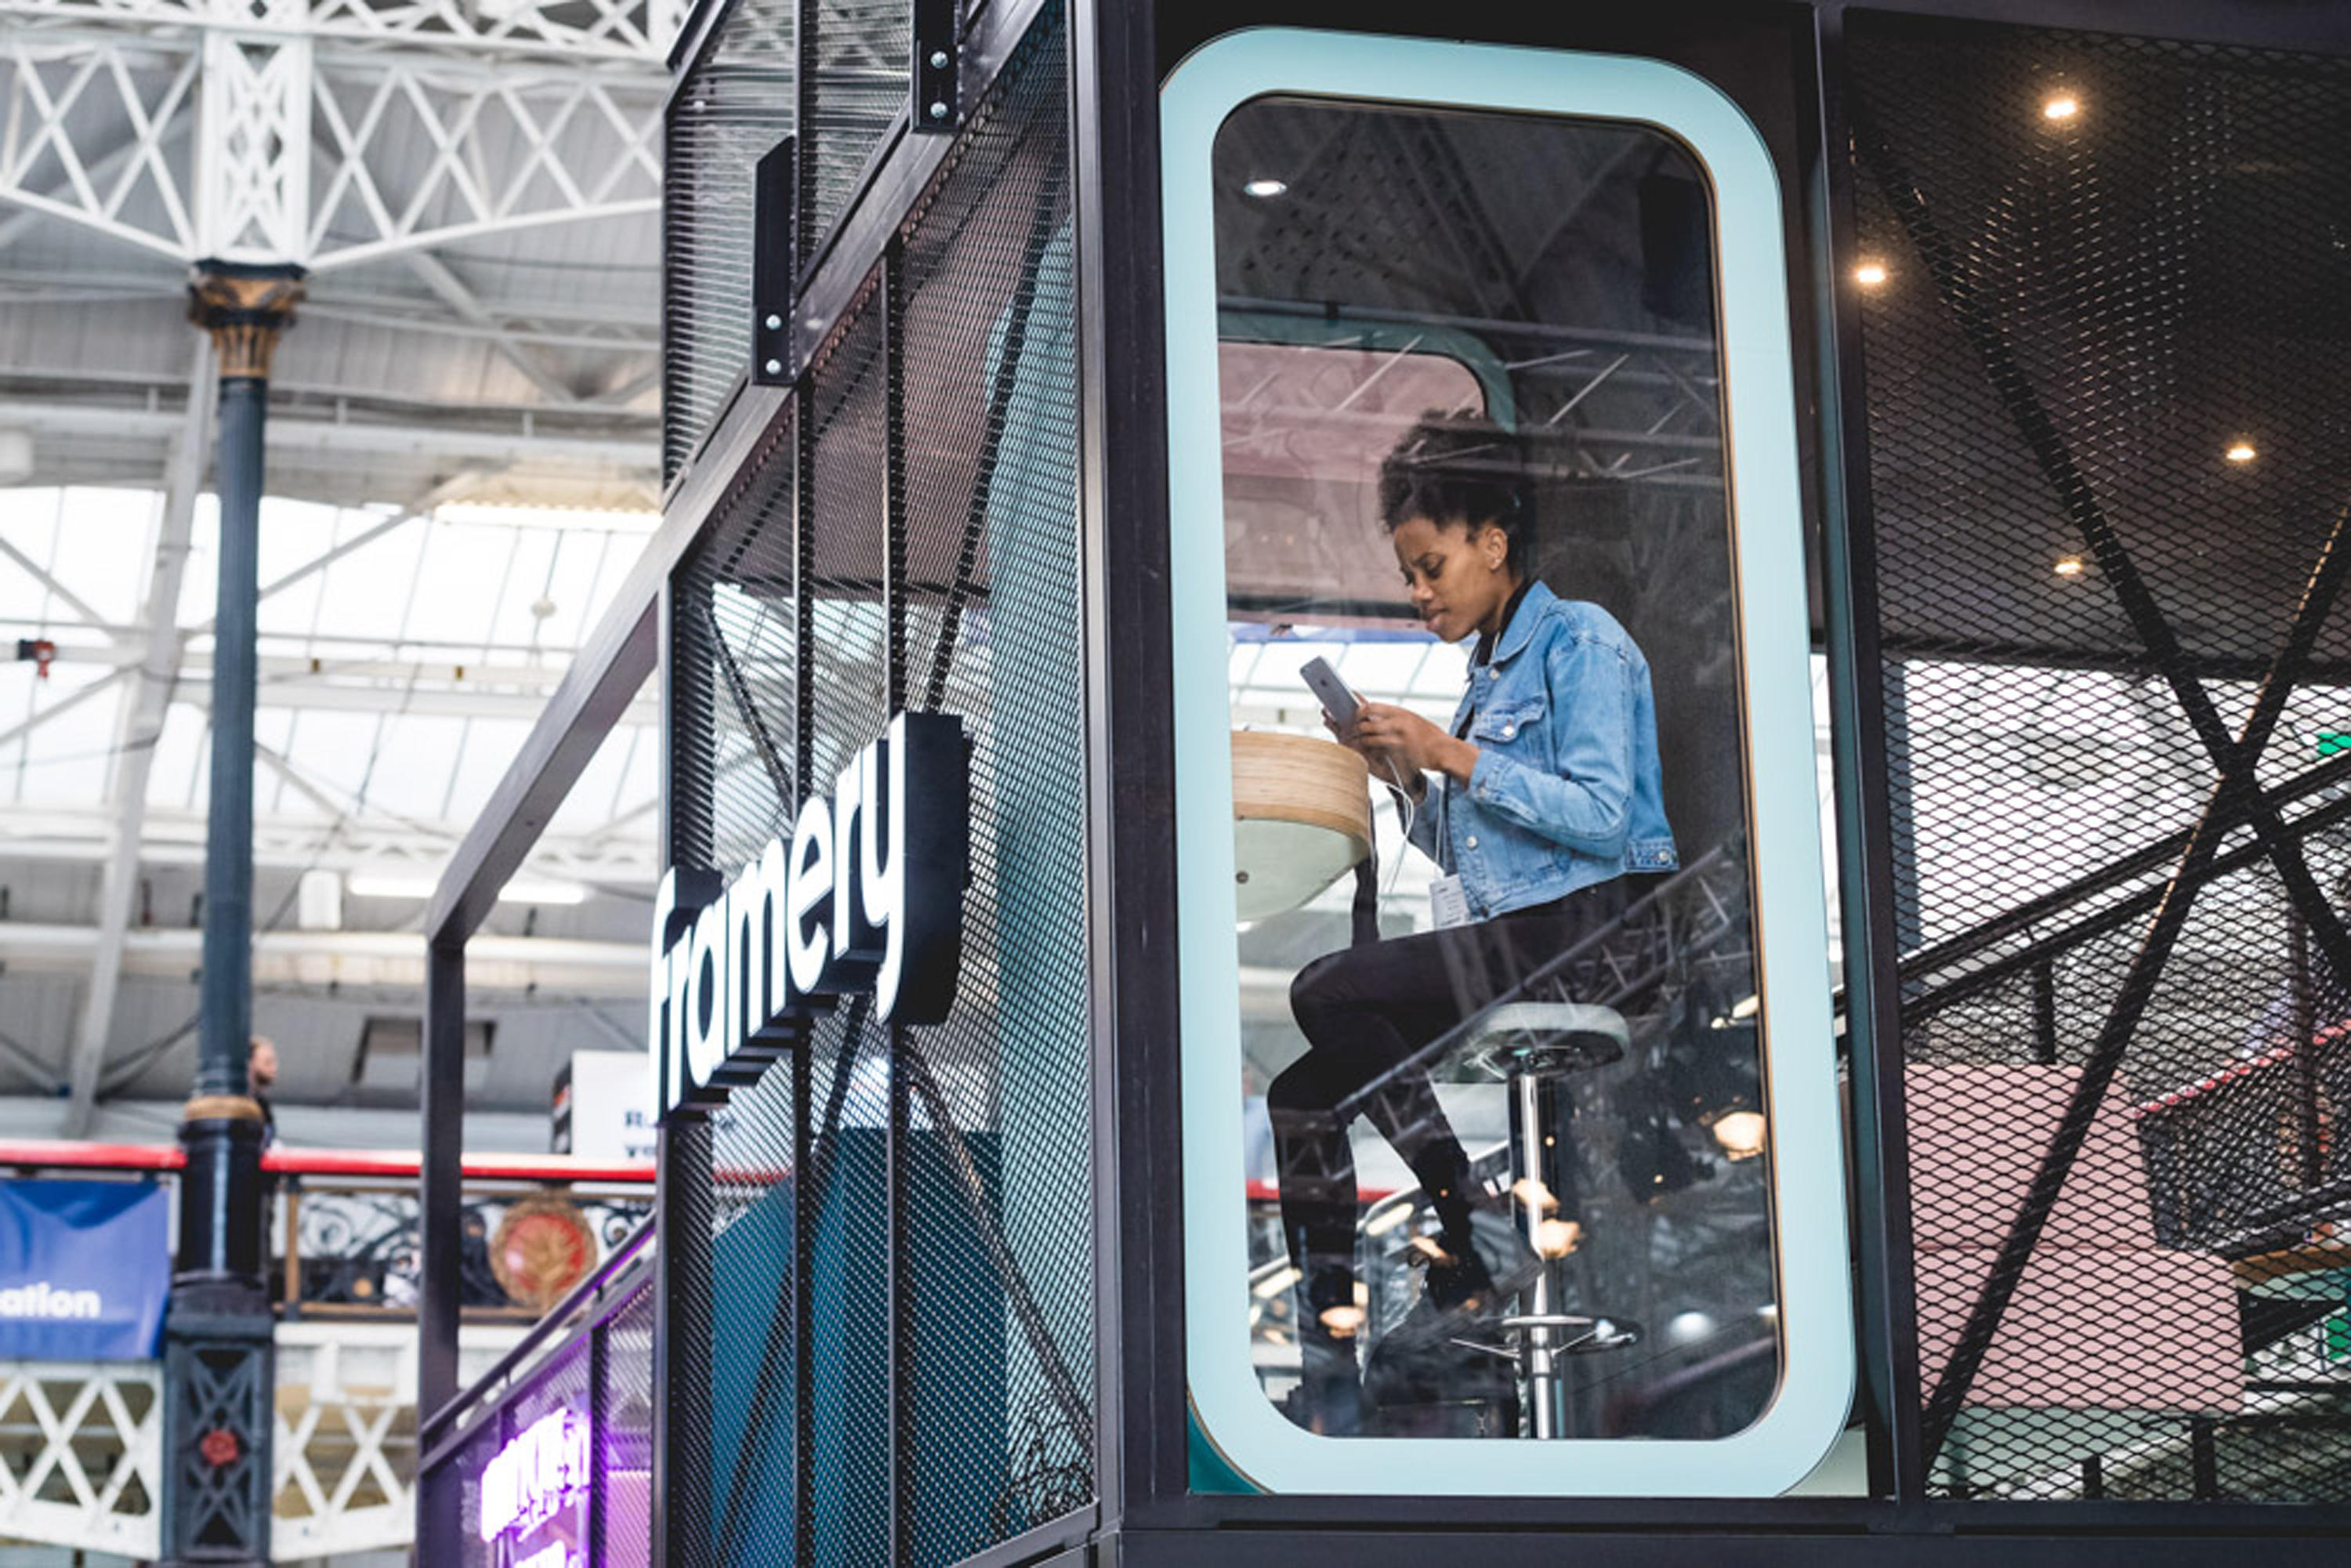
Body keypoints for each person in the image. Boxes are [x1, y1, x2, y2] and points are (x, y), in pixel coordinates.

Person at [1270, 411, 1678, 1433]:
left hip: (1600, 937)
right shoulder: (1482, 678)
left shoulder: (1581, 640)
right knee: (1301, 1094)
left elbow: (1602, 816)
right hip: (1529, 940)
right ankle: (1330, 1348)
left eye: (1432, 566)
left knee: (1325, 989)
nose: (1419, 593)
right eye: (1409, 575)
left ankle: (1474, 1224)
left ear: (1493, 543)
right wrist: (1404, 776)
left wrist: (1449, 755)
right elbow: (1472, 858)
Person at [248, 1034, 278, 1150]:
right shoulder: (239, 1103)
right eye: (268, 1062)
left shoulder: (262, 1103)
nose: (274, 1068)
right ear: (250, 1064)